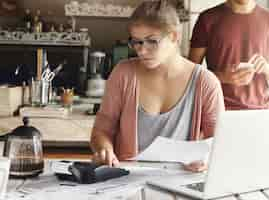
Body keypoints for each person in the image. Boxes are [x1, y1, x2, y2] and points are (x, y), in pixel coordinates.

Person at [90, 0, 225, 172]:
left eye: (151, 41)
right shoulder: (123, 74)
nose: (142, 50)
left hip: (180, 186)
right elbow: (101, 131)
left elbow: (219, 142)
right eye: (137, 42)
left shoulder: (205, 82)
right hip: (126, 185)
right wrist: (104, 150)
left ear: (174, 36)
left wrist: (206, 160)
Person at [189, 0, 269, 110]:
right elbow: (191, 75)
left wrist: (267, 69)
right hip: (218, 110)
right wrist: (223, 77)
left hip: (261, 111)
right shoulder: (207, 19)